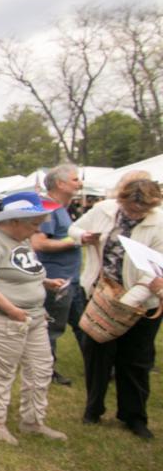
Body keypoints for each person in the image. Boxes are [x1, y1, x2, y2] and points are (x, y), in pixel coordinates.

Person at [0, 192, 69, 445]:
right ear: (14, 220)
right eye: (34, 223)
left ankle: (32, 421)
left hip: (33, 317)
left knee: (41, 368)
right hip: (4, 318)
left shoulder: (19, 238)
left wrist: (44, 281)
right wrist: (11, 310)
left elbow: (20, 270)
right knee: (2, 370)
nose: (38, 229)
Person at [69, 172, 163, 439]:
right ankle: (93, 408)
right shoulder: (105, 210)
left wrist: (124, 304)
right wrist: (83, 236)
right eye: (130, 207)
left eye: (141, 209)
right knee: (97, 355)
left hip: (140, 302)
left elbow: (154, 272)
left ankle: (133, 415)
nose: (134, 213)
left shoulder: (159, 224)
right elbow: (74, 229)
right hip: (101, 294)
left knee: (135, 360)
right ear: (121, 200)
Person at [29, 164, 85, 386]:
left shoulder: (62, 208)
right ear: (60, 184)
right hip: (56, 280)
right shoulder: (48, 208)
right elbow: (38, 242)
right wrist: (76, 240)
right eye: (75, 179)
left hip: (72, 278)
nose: (79, 183)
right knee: (52, 328)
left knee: (84, 325)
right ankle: (47, 369)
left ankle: (98, 365)